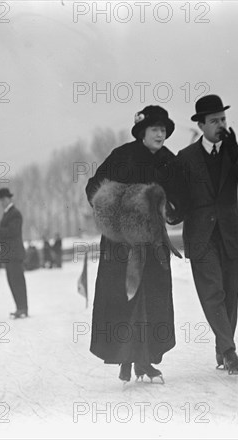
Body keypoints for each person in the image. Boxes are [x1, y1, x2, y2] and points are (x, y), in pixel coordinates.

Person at [168, 95, 238, 374]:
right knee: (213, 292)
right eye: (214, 121)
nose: (220, 125)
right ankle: (230, 352)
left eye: (223, 119)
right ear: (201, 125)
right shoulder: (185, 158)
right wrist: (169, 213)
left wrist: (236, 156)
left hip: (229, 234)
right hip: (200, 236)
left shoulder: (236, 152)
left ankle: (223, 348)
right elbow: (178, 200)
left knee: (230, 294)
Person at [85, 105, 178, 383]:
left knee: (152, 299)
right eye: (154, 129)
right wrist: (125, 207)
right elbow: (93, 189)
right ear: (142, 132)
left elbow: (179, 199)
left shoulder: (169, 161)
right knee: (125, 300)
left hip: (153, 243)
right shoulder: (122, 156)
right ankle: (126, 358)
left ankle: (143, 359)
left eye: (163, 129)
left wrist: (170, 209)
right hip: (120, 245)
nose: (160, 134)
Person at [0, 188, 29, 319]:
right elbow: (6, 231)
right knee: (12, 283)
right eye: (1, 200)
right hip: (9, 255)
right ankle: (19, 308)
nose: (2, 202)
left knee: (18, 282)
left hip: (14, 255)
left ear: (10, 199)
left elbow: (12, 231)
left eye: (4, 199)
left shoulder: (15, 213)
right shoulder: (7, 214)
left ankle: (23, 308)